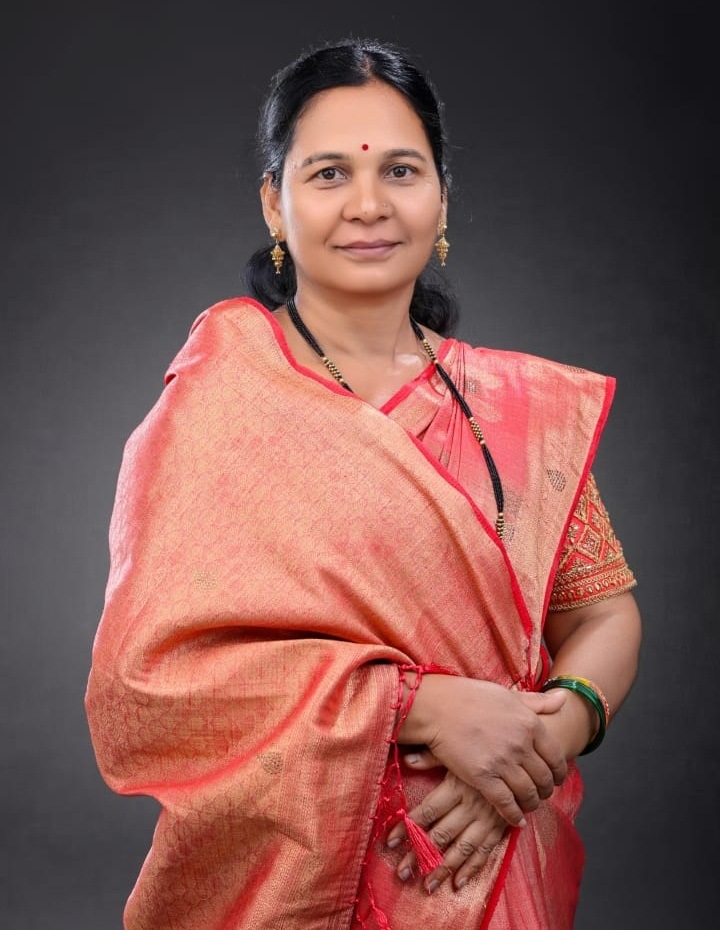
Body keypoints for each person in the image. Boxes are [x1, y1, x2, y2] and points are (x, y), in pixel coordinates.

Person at [85, 37, 642, 930]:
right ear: (275, 202)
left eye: (401, 171)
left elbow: (603, 613)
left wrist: (541, 745)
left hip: (498, 862)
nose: (370, 204)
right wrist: (420, 706)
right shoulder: (220, 407)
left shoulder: (519, 410)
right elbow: (145, 688)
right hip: (287, 878)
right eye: (330, 173)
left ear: (442, 195)